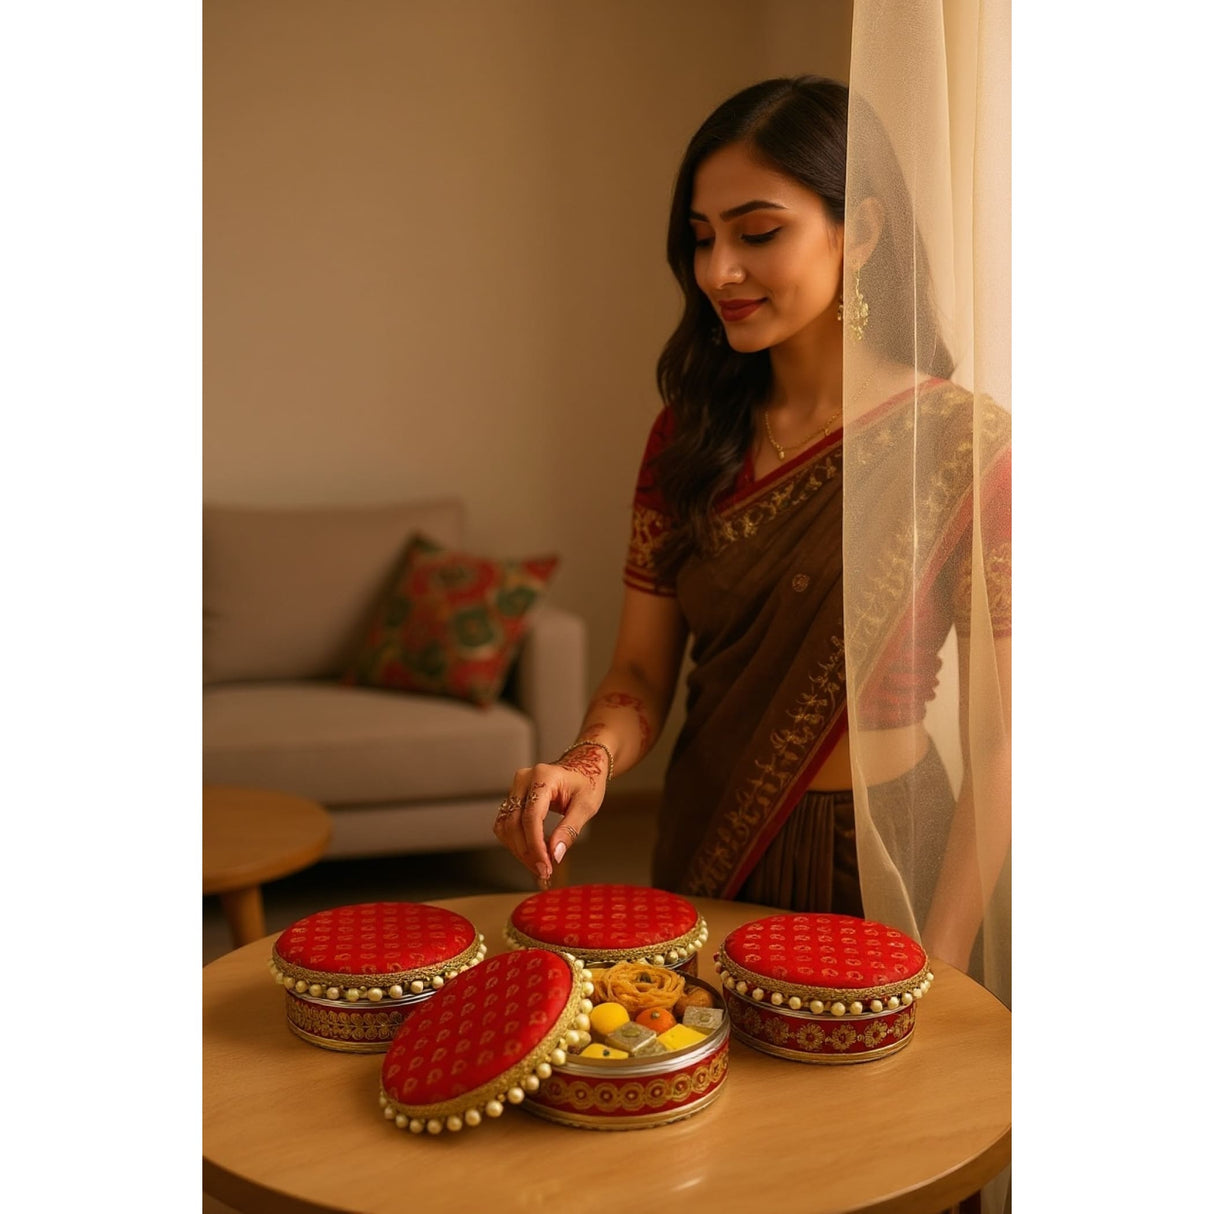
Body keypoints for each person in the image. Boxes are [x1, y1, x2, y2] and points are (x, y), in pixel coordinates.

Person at [492, 76, 1010, 973]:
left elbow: (1007, 738)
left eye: (758, 233)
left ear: (865, 232)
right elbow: (642, 669)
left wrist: (949, 955)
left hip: (875, 858)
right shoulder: (689, 435)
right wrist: (589, 761)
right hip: (706, 842)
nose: (716, 271)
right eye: (701, 239)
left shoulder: (961, 445)